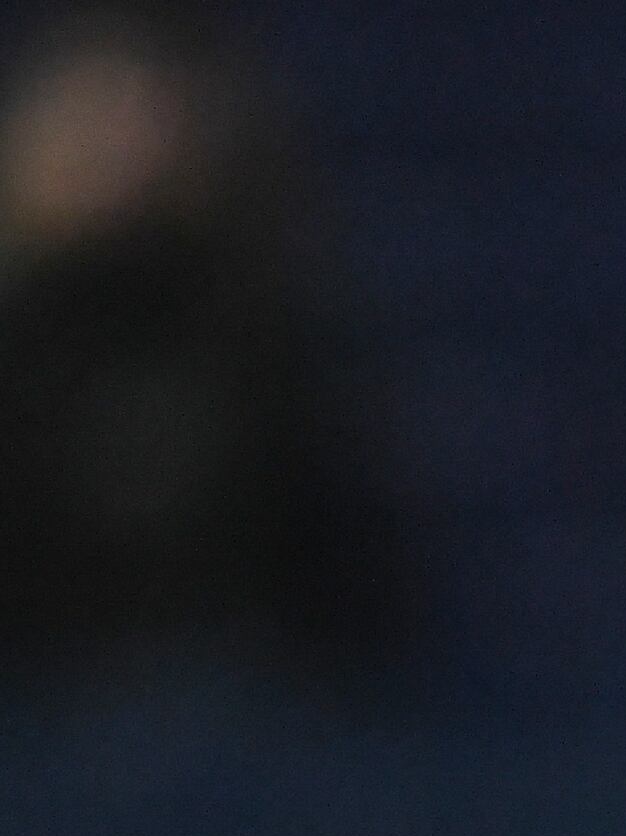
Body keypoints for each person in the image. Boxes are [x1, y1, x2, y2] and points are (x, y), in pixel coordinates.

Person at [0, 4, 403, 691]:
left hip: (235, 698)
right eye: (96, 119)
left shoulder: (264, 343)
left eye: (144, 117)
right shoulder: (22, 341)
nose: (121, 154)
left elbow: (343, 569)